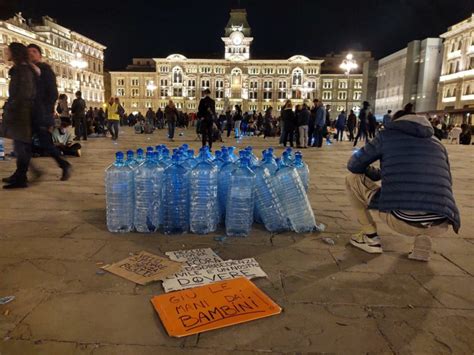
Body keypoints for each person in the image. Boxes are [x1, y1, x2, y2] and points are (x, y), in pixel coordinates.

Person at [345, 108, 460, 261]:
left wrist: (371, 171)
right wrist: (383, 172)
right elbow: (447, 181)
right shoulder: (438, 144)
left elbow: (354, 165)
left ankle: (369, 236)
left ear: (396, 122)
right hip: (441, 220)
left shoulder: (387, 136)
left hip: (402, 219)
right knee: (423, 199)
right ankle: (422, 240)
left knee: (352, 179)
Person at [27, 43, 71, 181]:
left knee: (46, 144)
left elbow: (52, 94)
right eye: (29, 52)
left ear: (40, 55)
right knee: (22, 143)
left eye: (34, 51)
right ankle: (24, 172)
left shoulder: (45, 70)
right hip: (31, 113)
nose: (31, 54)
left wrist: (46, 113)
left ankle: (64, 165)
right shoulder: (30, 71)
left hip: (42, 115)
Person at [1, 43, 36, 189]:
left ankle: (21, 177)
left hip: (21, 113)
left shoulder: (22, 70)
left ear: (15, 53)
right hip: (19, 112)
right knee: (19, 144)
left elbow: (24, 93)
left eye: (7, 51)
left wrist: (11, 105)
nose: (5, 53)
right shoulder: (19, 69)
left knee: (21, 146)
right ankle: (19, 174)